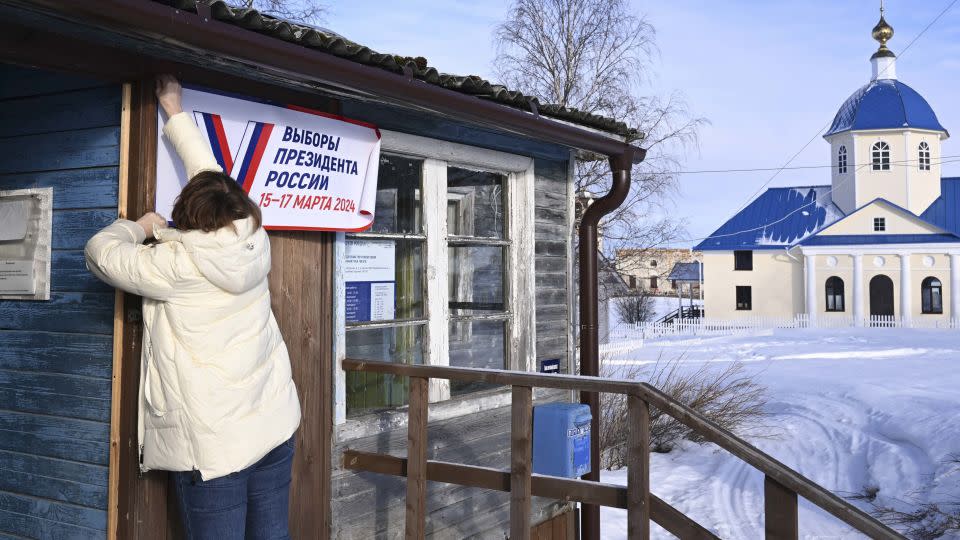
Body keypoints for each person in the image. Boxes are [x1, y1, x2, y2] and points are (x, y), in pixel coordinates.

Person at [85, 75, 301, 540]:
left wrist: (139, 226)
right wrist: (174, 109)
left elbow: (100, 253)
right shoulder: (250, 235)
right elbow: (209, 174)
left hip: (215, 448)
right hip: (274, 425)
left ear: (189, 213)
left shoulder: (176, 265)